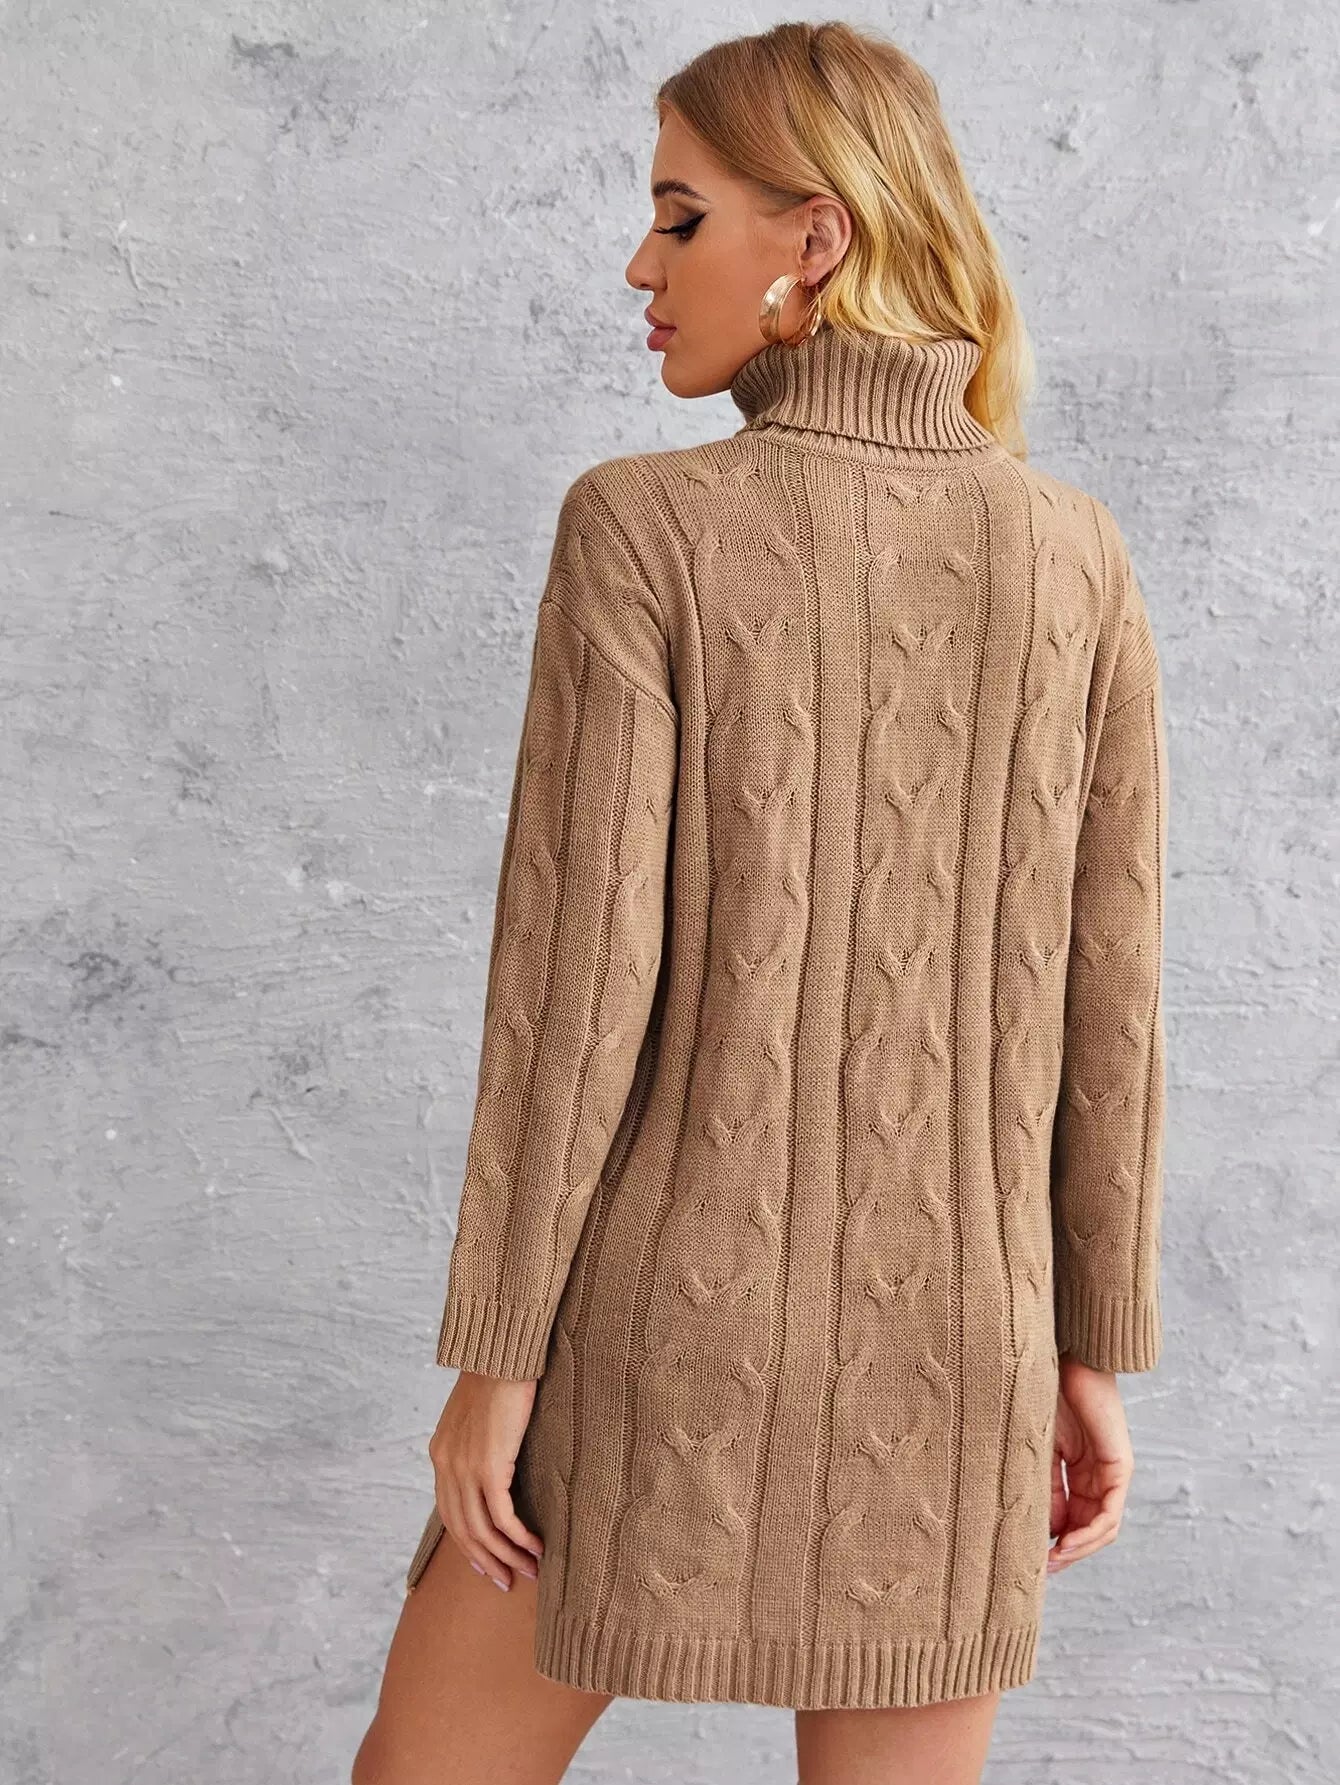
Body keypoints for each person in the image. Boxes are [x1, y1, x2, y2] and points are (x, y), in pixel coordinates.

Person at [353, 20, 1169, 1785]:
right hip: (963, 1349)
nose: (640, 268)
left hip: (659, 1334)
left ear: (819, 236)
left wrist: (496, 1363)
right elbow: (1108, 1002)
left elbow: (576, 993)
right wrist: (1085, 1344)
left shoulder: (644, 528)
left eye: (679, 216)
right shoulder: (1078, 556)